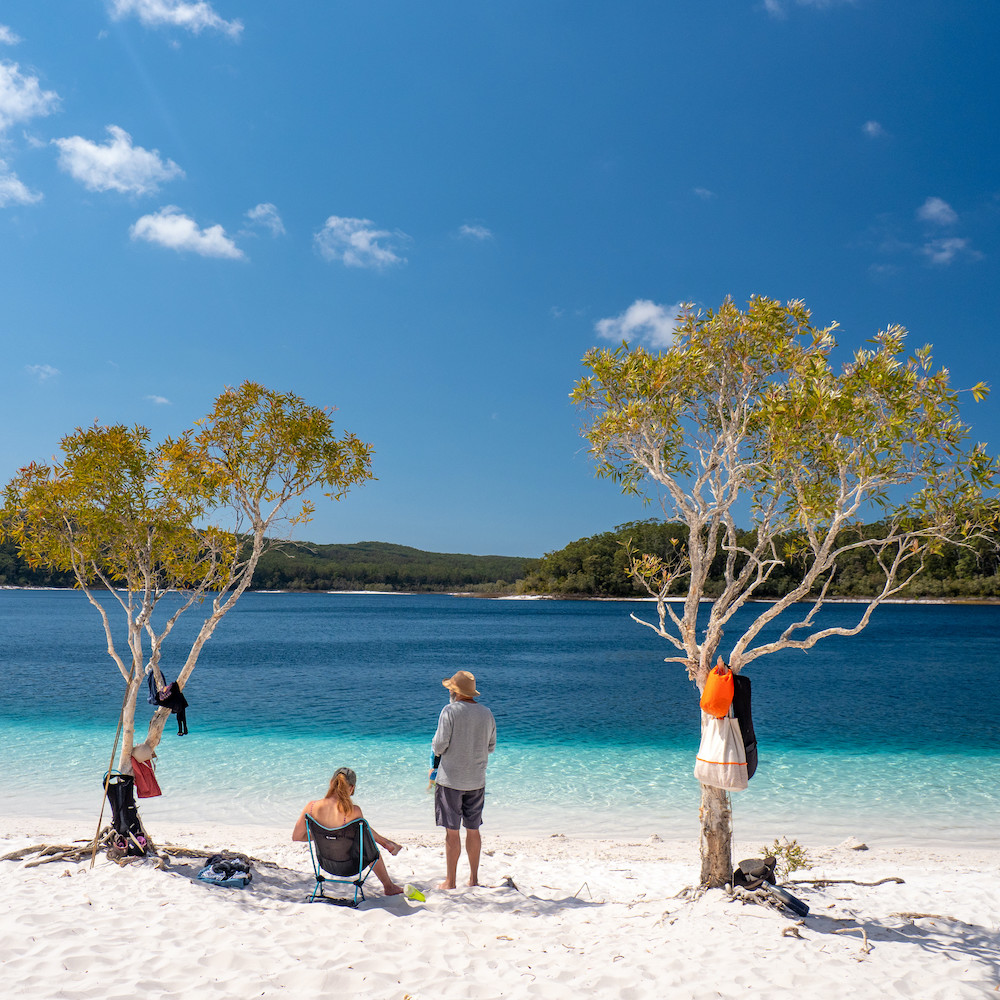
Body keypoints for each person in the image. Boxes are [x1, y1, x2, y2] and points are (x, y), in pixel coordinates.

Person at [430, 670, 496, 890]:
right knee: (474, 829)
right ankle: (474, 879)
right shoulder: (487, 713)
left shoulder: (449, 711)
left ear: (455, 691)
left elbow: (439, 746)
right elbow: (491, 746)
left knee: (452, 831)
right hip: (477, 780)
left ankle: (450, 881)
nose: (449, 690)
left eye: (451, 687)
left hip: (450, 780)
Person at [292, 766, 404, 896]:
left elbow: (297, 836)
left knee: (362, 830)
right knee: (367, 845)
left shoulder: (311, 807)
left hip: (325, 863)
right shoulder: (354, 811)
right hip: (351, 866)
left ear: (330, 783)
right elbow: (365, 835)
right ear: (351, 789)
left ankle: (386, 843)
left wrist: (320, 834)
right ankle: (388, 886)